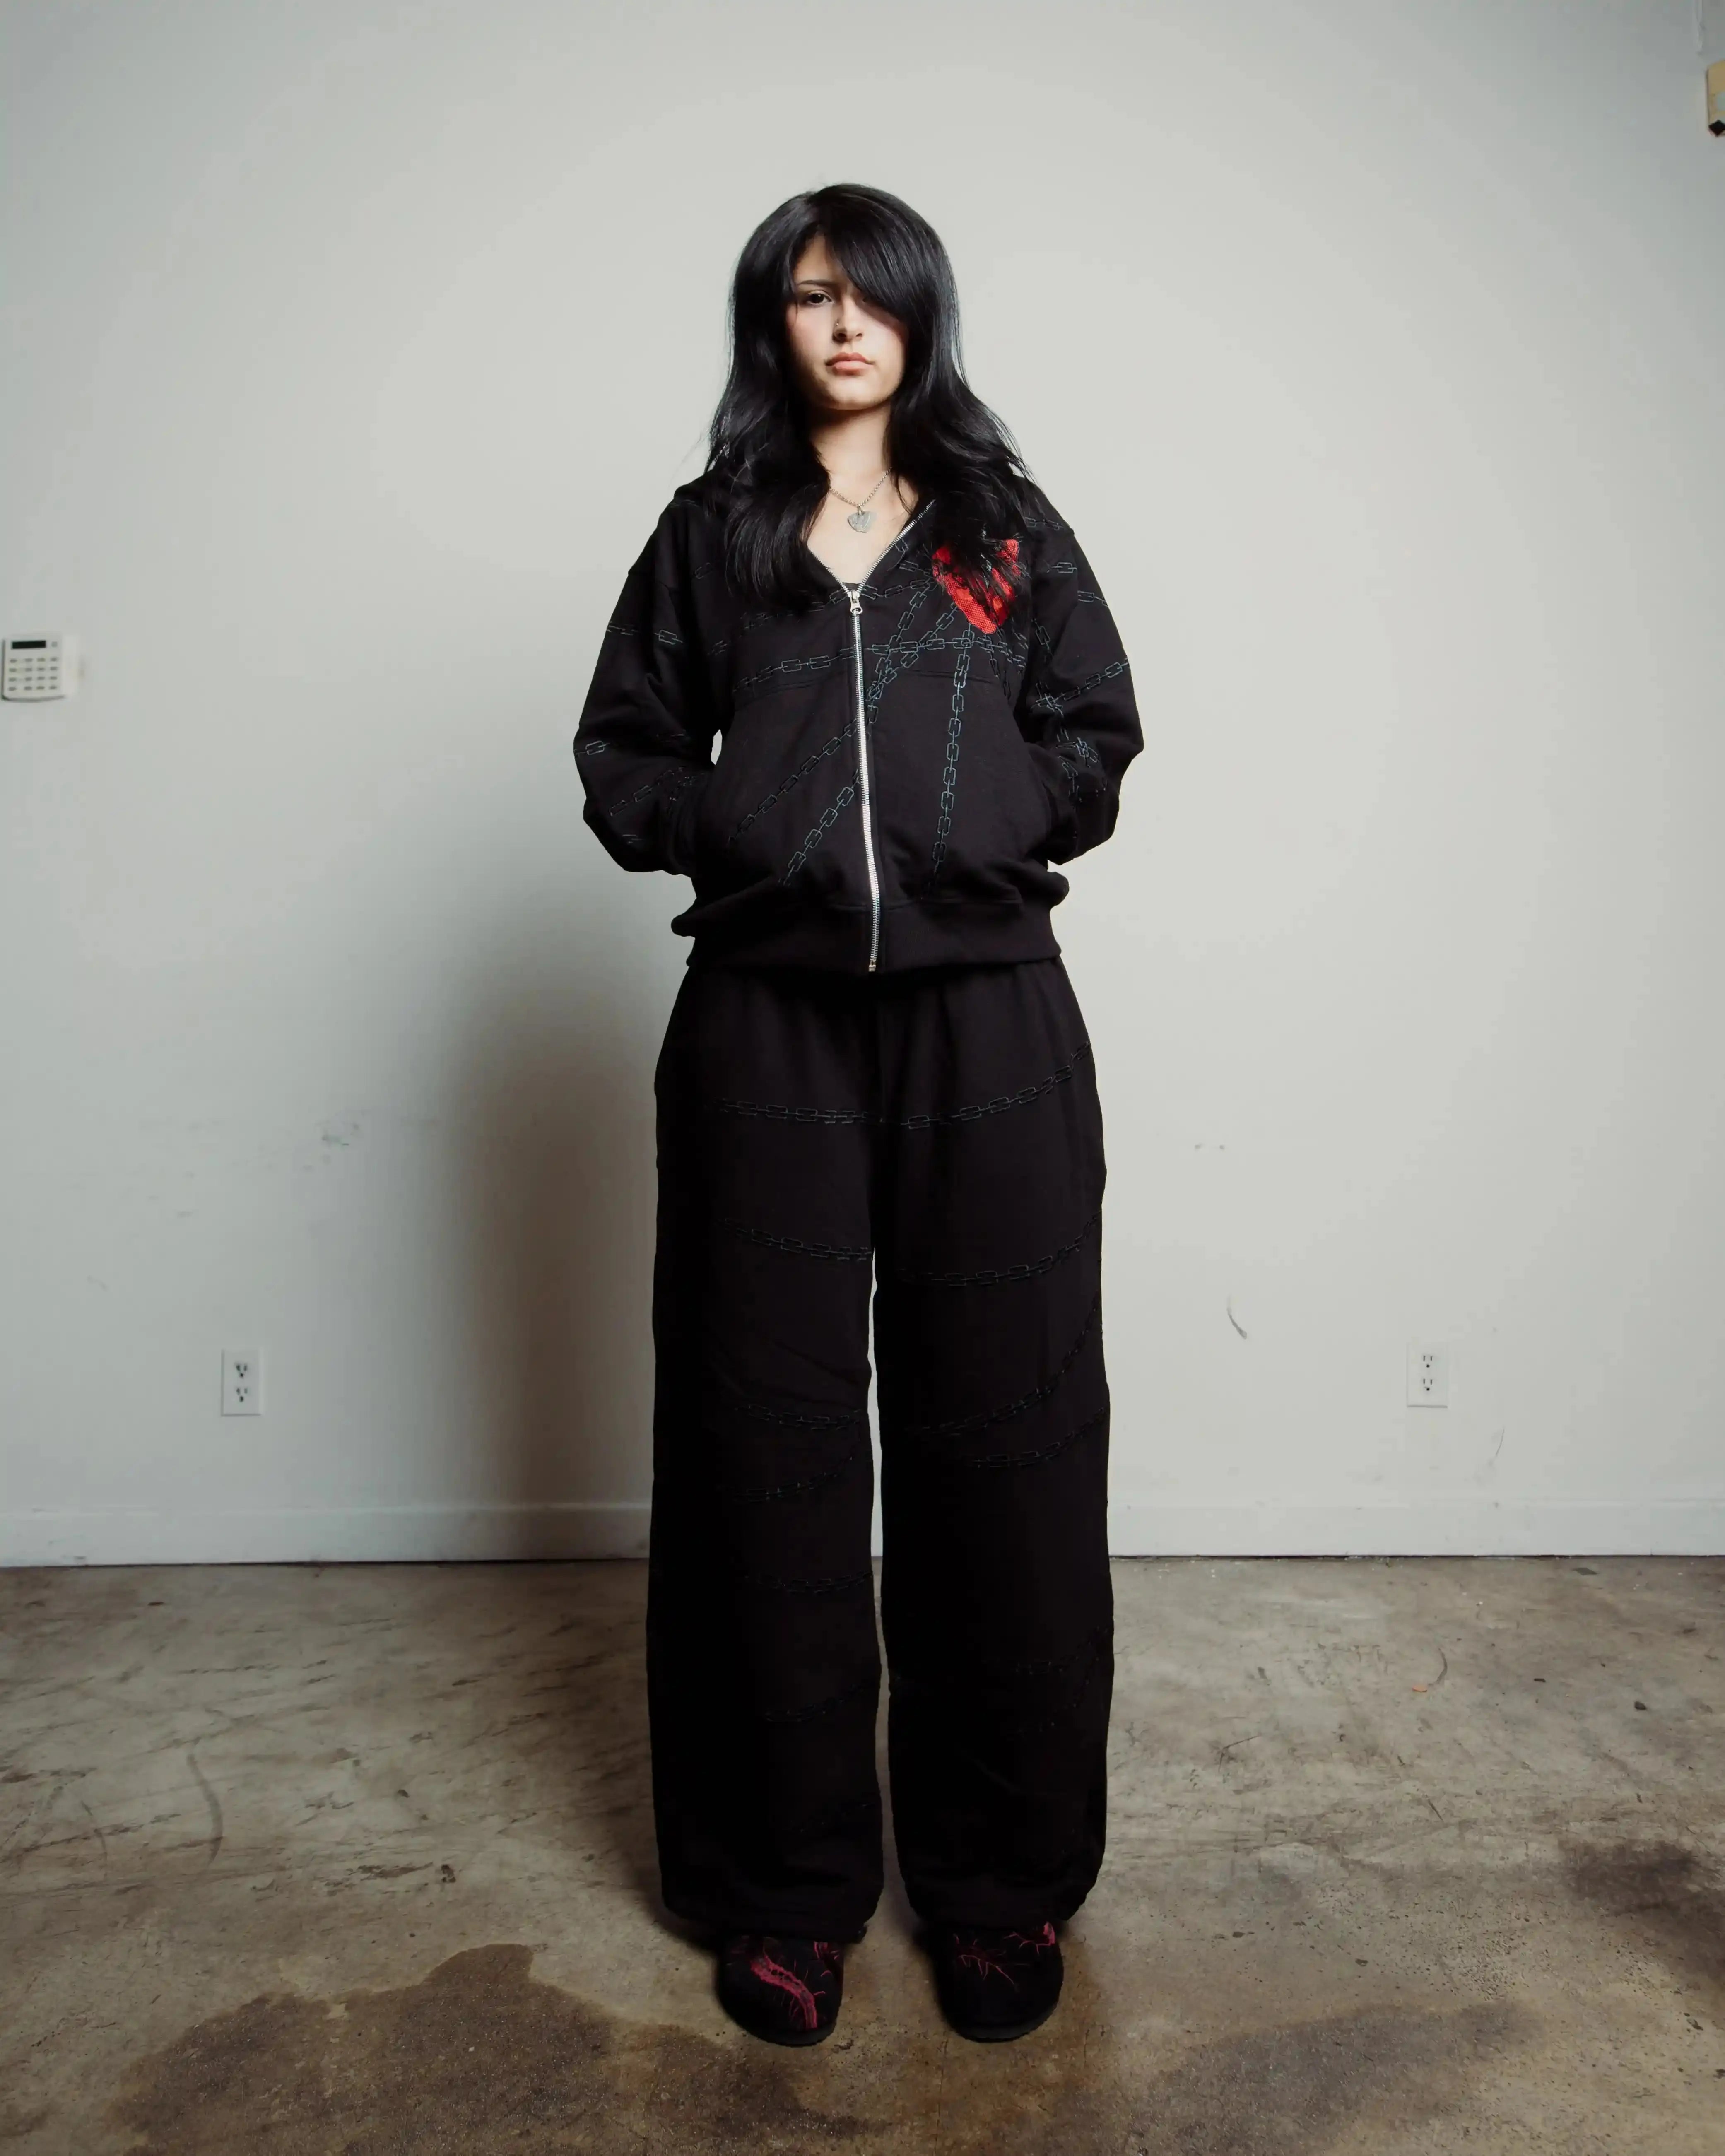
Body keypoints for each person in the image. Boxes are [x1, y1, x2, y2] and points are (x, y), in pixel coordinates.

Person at [573, 183, 1142, 2047]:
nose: (841, 325)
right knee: (764, 1448)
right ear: (772, 321)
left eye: (870, 296)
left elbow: (1095, 730)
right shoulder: (714, 533)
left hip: (990, 1026)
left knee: (1012, 1444)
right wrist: (742, 827)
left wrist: (989, 824)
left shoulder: (996, 528)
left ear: (919, 317)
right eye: (808, 295)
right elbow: (623, 750)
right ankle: (783, 1888)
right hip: (767, 1030)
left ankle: (997, 1885)